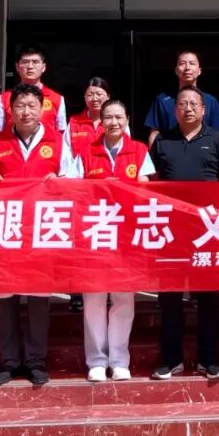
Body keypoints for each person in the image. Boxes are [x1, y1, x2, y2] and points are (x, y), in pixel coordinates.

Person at [0, 83, 73, 387]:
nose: (26, 111)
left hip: (42, 229)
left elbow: (73, 181)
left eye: (32, 105)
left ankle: (35, 361)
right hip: (7, 228)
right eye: (20, 106)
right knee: (6, 299)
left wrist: (59, 181)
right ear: (10, 110)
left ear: (43, 109)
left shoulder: (57, 142)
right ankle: (9, 361)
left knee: (38, 298)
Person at [148, 85, 219, 380]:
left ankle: (208, 360)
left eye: (193, 104)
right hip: (171, 231)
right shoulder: (162, 141)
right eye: (182, 104)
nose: (188, 108)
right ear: (175, 110)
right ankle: (171, 359)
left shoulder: (218, 139)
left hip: (207, 230)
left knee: (208, 298)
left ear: (203, 109)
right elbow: (152, 182)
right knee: (169, 299)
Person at [67, 99, 155, 382]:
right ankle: (95, 361)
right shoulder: (86, 151)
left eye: (119, 117)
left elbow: (145, 188)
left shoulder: (139, 150)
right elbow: (73, 189)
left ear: (127, 119)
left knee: (123, 299)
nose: (114, 122)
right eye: (108, 117)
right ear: (101, 121)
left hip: (127, 235)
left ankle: (119, 360)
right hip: (95, 232)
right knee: (93, 298)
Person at [144, 50, 219, 145]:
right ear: (176, 70)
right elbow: (155, 133)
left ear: (199, 70)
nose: (187, 68)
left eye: (192, 63)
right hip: (170, 150)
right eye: (182, 63)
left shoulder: (210, 101)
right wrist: (154, 153)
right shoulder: (162, 100)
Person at [0, 45, 67, 134]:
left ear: (44, 67)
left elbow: (61, 132)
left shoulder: (57, 99)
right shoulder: (3, 99)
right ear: (17, 67)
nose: (30, 66)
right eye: (25, 62)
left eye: (35, 62)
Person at [66, 77, 112, 154]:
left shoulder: (117, 122)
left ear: (108, 97)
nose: (94, 99)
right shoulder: (74, 123)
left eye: (99, 94)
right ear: (84, 97)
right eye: (90, 94)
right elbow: (66, 152)